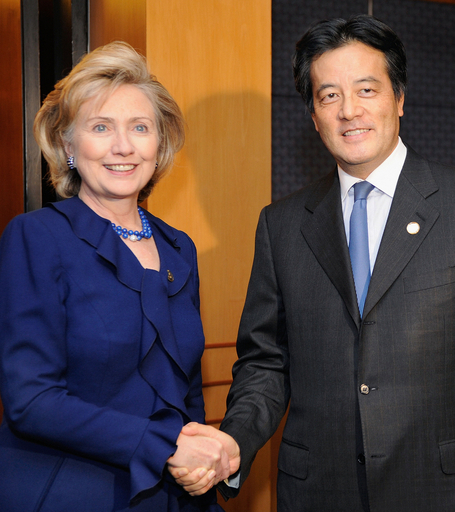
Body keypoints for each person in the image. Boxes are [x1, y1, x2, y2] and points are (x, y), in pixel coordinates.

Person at [170, 14, 455, 512]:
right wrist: (235, 441)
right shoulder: (281, 225)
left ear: (399, 98)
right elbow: (266, 361)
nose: (349, 110)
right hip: (317, 491)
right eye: (329, 96)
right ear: (313, 115)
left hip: (434, 487)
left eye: (366, 89)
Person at [0, 41, 228, 511]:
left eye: (140, 127)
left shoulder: (178, 247)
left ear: (159, 145)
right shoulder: (36, 236)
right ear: (68, 145)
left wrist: (201, 463)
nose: (123, 146)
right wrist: (163, 445)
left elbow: (186, 391)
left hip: (169, 492)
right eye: (101, 127)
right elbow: (31, 400)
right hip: (70, 490)